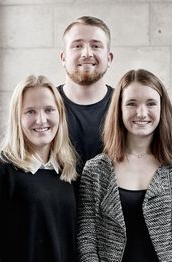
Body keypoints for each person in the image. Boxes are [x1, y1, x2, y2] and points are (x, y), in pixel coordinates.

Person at [77, 69, 172, 262]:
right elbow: (86, 240)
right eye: (132, 104)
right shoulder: (96, 170)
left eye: (151, 103)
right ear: (119, 108)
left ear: (162, 108)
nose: (142, 113)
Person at [0, 75, 79, 262]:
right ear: (17, 118)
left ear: (60, 114)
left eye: (49, 110)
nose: (41, 120)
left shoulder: (69, 170)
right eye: (30, 112)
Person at [59, 16, 114, 170]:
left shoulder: (125, 105)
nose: (87, 53)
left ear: (109, 58)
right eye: (77, 46)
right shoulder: (45, 106)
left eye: (96, 46)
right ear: (63, 57)